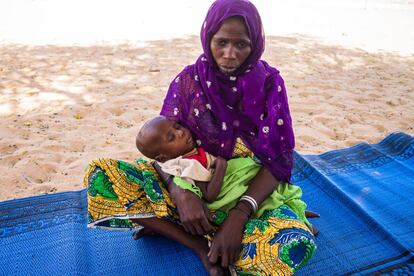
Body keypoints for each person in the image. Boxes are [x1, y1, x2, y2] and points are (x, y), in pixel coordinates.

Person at [84, 0, 317, 275]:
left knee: (294, 243)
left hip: (250, 195)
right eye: (221, 42)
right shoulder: (188, 81)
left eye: (241, 44)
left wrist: (239, 216)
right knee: (102, 175)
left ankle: (216, 232)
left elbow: (278, 160)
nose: (229, 54)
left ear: (255, 43)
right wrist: (181, 193)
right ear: (208, 38)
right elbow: (163, 149)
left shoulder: (269, 84)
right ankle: (199, 246)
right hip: (194, 187)